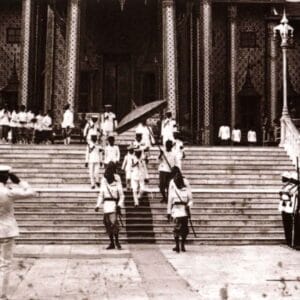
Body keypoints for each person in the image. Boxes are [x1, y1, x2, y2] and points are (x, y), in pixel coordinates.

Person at [0, 165, 35, 298]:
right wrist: (19, 182)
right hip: (6, 231)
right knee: (5, 265)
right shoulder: (8, 192)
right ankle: (2, 295)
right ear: (7, 177)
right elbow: (31, 192)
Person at [95, 162, 124, 250]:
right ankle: (111, 242)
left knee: (114, 225)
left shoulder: (117, 180)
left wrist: (119, 205)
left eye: (108, 176)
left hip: (114, 205)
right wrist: (97, 205)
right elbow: (101, 194)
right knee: (107, 225)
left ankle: (117, 241)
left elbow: (122, 195)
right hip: (106, 206)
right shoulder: (104, 181)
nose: (106, 178)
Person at [167, 166, 193, 253]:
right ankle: (179, 245)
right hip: (178, 210)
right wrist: (169, 211)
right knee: (180, 229)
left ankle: (180, 245)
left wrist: (188, 206)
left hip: (182, 211)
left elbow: (191, 199)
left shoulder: (183, 183)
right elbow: (170, 198)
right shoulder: (173, 182)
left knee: (182, 229)